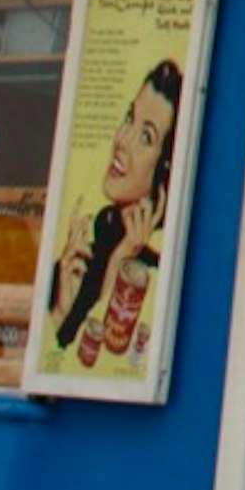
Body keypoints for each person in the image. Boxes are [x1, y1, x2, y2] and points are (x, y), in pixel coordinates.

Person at [48, 59, 179, 360]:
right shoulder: (97, 239)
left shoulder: (150, 275)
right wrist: (59, 310)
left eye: (146, 137)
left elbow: (100, 360)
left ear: (164, 174)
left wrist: (122, 259)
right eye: (129, 119)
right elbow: (58, 351)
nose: (122, 140)